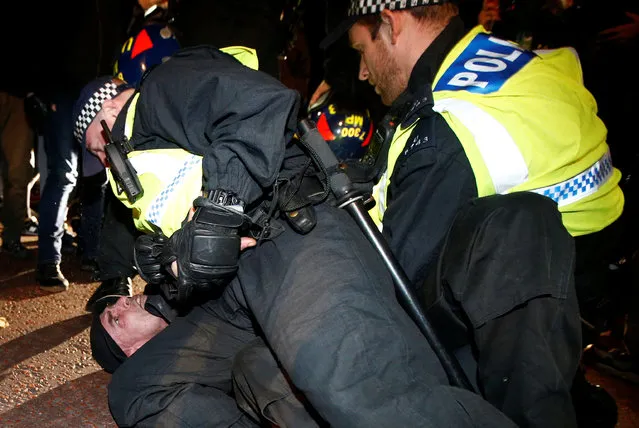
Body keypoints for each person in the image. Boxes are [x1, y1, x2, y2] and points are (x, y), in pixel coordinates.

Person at [74, 44, 529, 427]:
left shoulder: (159, 90)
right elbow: (191, 230)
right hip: (235, 286)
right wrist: (169, 263)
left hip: (290, 231)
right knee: (136, 390)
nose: (106, 159)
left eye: (98, 146)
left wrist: (219, 210)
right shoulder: (139, 154)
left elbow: (262, 103)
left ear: (107, 108)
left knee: (369, 396)